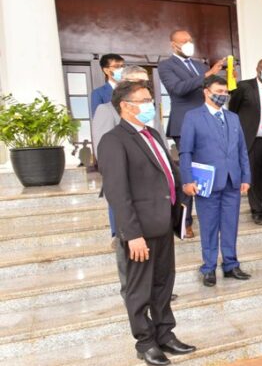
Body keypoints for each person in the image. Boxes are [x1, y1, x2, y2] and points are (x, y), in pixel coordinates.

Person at [98, 80, 196, 365]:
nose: (149, 105)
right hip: (139, 229)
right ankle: (145, 342)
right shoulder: (114, 140)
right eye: (143, 100)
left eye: (149, 99)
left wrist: (183, 195)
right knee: (139, 289)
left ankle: (165, 334)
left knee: (163, 284)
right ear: (126, 106)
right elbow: (117, 192)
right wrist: (132, 234)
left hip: (163, 222)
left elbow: (168, 169)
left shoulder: (152, 133)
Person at [92, 66, 171, 301]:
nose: (146, 90)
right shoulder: (107, 111)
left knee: (158, 269)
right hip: (127, 191)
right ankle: (132, 289)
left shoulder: (148, 115)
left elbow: (159, 147)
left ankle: (154, 290)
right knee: (128, 246)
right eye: (138, 83)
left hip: (155, 197)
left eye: (147, 84)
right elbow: (107, 156)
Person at [179, 75, 252, 287]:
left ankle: (230, 264)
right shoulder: (193, 117)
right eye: (218, 92)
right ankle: (209, 267)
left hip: (232, 180)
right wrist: (187, 180)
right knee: (209, 226)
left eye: (225, 93)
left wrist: (246, 176)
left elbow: (241, 150)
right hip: (206, 183)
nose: (223, 96)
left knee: (230, 225)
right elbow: (186, 152)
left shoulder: (233, 117)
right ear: (206, 91)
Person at [158, 30, 225, 238]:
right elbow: (178, 88)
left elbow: (213, 88)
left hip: (208, 122)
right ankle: (184, 221)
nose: (188, 44)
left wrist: (227, 79)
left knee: (208, 169)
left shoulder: (200, 65)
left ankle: (210, 216)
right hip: (184, 124)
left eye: (190, 40)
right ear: (173, 45)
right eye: (183, 41)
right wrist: (207, 74)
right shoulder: (166, 66)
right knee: (189, 174)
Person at [228, 58, 262, 225]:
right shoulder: (244, 87)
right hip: (251, 140)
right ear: (257, 69)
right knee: (254, 175)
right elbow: (233, 110)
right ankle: (257, 211)